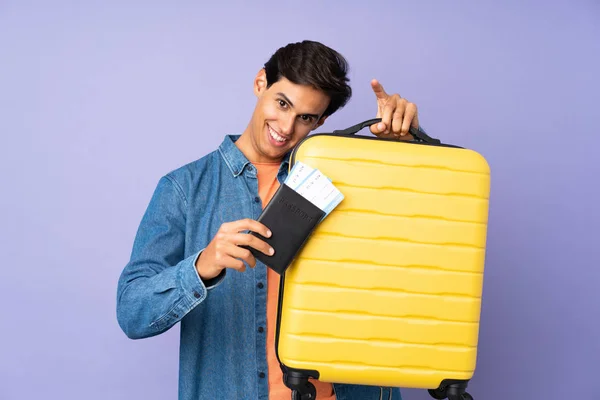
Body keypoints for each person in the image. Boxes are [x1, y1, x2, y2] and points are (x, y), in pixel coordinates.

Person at [116, 40, 423, 400]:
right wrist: (202, 264)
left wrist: (400, 152)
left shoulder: (346, 176)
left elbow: (411, 254)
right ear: (260, 83)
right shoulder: (184, 188)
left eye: (306, 118)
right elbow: (132, 311)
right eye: (282, 103)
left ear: (322, 121)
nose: (286, 127)